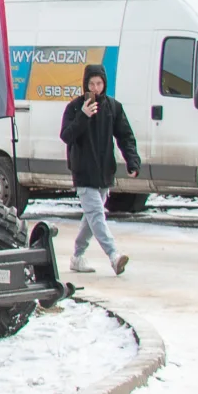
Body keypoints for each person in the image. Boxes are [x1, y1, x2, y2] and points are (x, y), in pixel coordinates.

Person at [60, 62, 140, 275]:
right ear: (85, 84)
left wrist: (132, 161)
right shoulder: (75, 107)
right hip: (83, 172)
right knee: (96, 215)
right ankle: (114, 256)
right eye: (91, 83)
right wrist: (83, 117)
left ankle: (77, 256)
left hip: (105, 172)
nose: (95, 88)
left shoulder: (113, 107)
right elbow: (66, 135)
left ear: (104, 84)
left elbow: (125, 136)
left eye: (99, 83)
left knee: (91, 219)